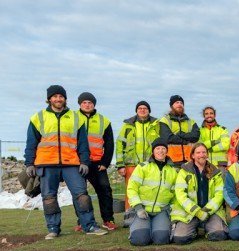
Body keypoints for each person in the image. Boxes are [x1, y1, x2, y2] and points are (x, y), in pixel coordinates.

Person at [24, 85, 107, 239]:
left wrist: (84, 162)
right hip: (46, 164)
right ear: (49, 99)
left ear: (65, 99)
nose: (58, 99)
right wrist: (29, 163)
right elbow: (31, 143)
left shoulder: (76, 117)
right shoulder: (38, 117)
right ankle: (53, 229)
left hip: (72, 163)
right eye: (54, 96)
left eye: (61, 96)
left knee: (82, 195)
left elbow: (83, 143)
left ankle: (89, 225)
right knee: (49, 198)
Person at [74, 92, 117, 231]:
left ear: (94, 104)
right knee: (79, 193)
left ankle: (108, 220)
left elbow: (109, 144)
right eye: (84, 102)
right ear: (80, 104)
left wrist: (105, 162)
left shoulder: (104, 120)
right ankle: (82, 221)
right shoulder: (71, 118)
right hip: (77, 163)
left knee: (105, 190)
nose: (87, 105)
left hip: (97, 163)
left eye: (90, 103)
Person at [171, 143, 228, 244]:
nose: (201, 155)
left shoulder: (215, 171)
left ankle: (208, 228)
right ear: (193, 155)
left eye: (204, 152)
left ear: (207, 154)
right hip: (189, 213)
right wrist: (197, 211)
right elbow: (180, 195)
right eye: (198, 152)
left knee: (219, 235)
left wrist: (206, 211)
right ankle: (194, 231)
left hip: (210, 212)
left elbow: (219, 194)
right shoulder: (184, 171)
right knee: (180, 239)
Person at [127, 139, 177, 246]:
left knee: (161, 240)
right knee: (139, 240)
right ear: (153, 151)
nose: (161, 151)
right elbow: (132, 188)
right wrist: (138, 208)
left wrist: (173, 213)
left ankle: (155, 227)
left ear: (167, 151)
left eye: (163, 148)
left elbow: (175, 195)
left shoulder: (173, 171)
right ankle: (139, 226)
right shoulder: (142, 167)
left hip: (162, 211)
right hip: (143, 210)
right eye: (157, 148)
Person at [115, 100, 158, 210]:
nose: (142, 110)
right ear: (136, 111)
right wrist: (120, 165)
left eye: (145, 108)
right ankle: (129, 216)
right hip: (131, 164)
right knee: (131, 190)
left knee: (150, 190)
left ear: (149, 111)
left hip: (150, 164)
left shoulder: (156, 125)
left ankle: (148, 215)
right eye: (140, 108)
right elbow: (120, 144)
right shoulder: (128, 125)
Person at [158, 95, 200, 168]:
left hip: (190, 161)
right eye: (177, 102)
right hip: (171, 161)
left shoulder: (191, 121)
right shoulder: (164, 120)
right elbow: (168, 138)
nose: (179, 104)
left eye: (181, 103)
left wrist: (181, 134)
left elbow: (196, 136)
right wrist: (186, 141)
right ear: (171, 106)